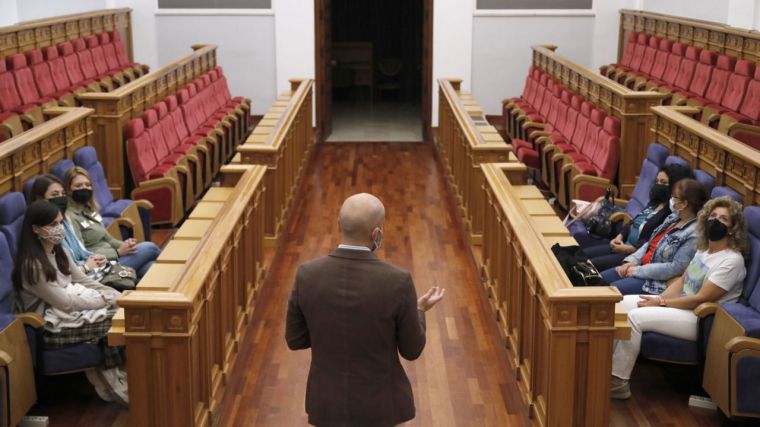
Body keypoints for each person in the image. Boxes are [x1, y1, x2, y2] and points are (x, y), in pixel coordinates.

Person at [286, 193, 445, 427]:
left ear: (339, 225)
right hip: (381, 409)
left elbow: (295, 340)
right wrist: (418, 309)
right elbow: (412, 350)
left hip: (328, 406)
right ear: (376, 234)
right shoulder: (397, 281)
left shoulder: (306, 275)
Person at [611, 196, 748, 399]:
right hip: (680, 306)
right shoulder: (704, 249)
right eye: (713, 216)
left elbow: (699, 299)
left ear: (731, 228)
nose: (716, 221)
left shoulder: (731, 261)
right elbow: (683, 281)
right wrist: (658, 299)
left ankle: (617, 382)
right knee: (620, 304)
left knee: (635, 318)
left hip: (701, 319)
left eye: (723, 219)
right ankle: (605, 365)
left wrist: (661, 303)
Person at [12, 200, 129, 405]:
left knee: (124, 310)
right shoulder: (32, 265)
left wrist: (114, 296)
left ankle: (121, 374)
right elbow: (65, 303)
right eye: (52, 225)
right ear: (36, 229)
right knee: (119, 322)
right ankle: (115, 386)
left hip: (71, 313)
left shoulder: (59, 250)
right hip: (48, 326)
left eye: (60, 223)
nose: (59, 229)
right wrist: (105, 300)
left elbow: (82, 280)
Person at [600, 178, 708, 295]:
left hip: (655, 282)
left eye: (674, 197)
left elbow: (675, 268)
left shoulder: (694, 234)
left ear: (684, 204)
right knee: (598, 280)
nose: (671, 200)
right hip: (639, 267)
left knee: (607, 293)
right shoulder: (673, 218)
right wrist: (632, 261)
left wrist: (637, 270)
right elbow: (650, 243)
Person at [583, 164, 694, 271]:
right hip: (623, 245)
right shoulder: (655, 202)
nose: (658, 185)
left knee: (591, 265)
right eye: (657, 181)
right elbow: (634, 221)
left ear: (675, 187)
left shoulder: (671, 213)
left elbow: (652, 241)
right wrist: (619, 237)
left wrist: (628, 249)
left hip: (634, 255)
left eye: (663, 183)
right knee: (583, 255)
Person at [63, 166, 160, 278]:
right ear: (68, 189)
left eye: (88, 185)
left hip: (114, 257)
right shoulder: (70, 216)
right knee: (150, 247)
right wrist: (118, 252)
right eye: (78, 186)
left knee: (150, 268)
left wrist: (125, 246)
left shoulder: (90, 209)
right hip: (102, 267)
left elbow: (108, 238)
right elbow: (81, 253)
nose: (84, 188)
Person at [26, 174, 108, 276]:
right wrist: (86, 267)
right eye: (55, 195)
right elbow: (62, 275)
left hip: (85, 272)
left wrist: (96, 258)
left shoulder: (64, 219)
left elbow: (81, 251)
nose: (60, 198)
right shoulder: (45, 232)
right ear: (40, 199)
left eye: (63, 194)